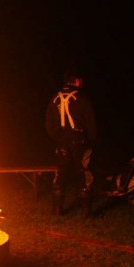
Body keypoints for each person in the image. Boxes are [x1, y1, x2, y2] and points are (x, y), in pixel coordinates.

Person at [45, 68, 98, 216]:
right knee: (84, 172)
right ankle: (86, 212)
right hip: (80, 141)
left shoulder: (54, 99)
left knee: (60, 173)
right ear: (77, 81)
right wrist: (90, 141)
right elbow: (91, 123)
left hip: (62, 142)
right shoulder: (82, 99)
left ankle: (57, 210)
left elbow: (49, 124)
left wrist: (58, 137)